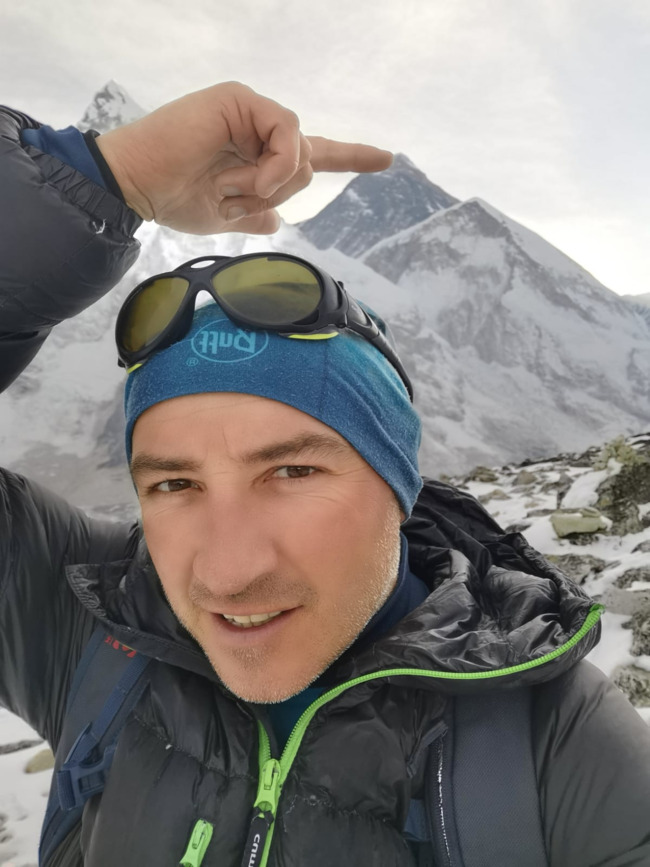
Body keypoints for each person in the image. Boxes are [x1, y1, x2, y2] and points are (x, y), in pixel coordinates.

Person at [0, 82, 649, 867]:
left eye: (293, 470)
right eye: (174, 483)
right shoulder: (94, 621)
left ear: (398, 483)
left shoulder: (563, 754)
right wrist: (103, 177)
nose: (228, 572)